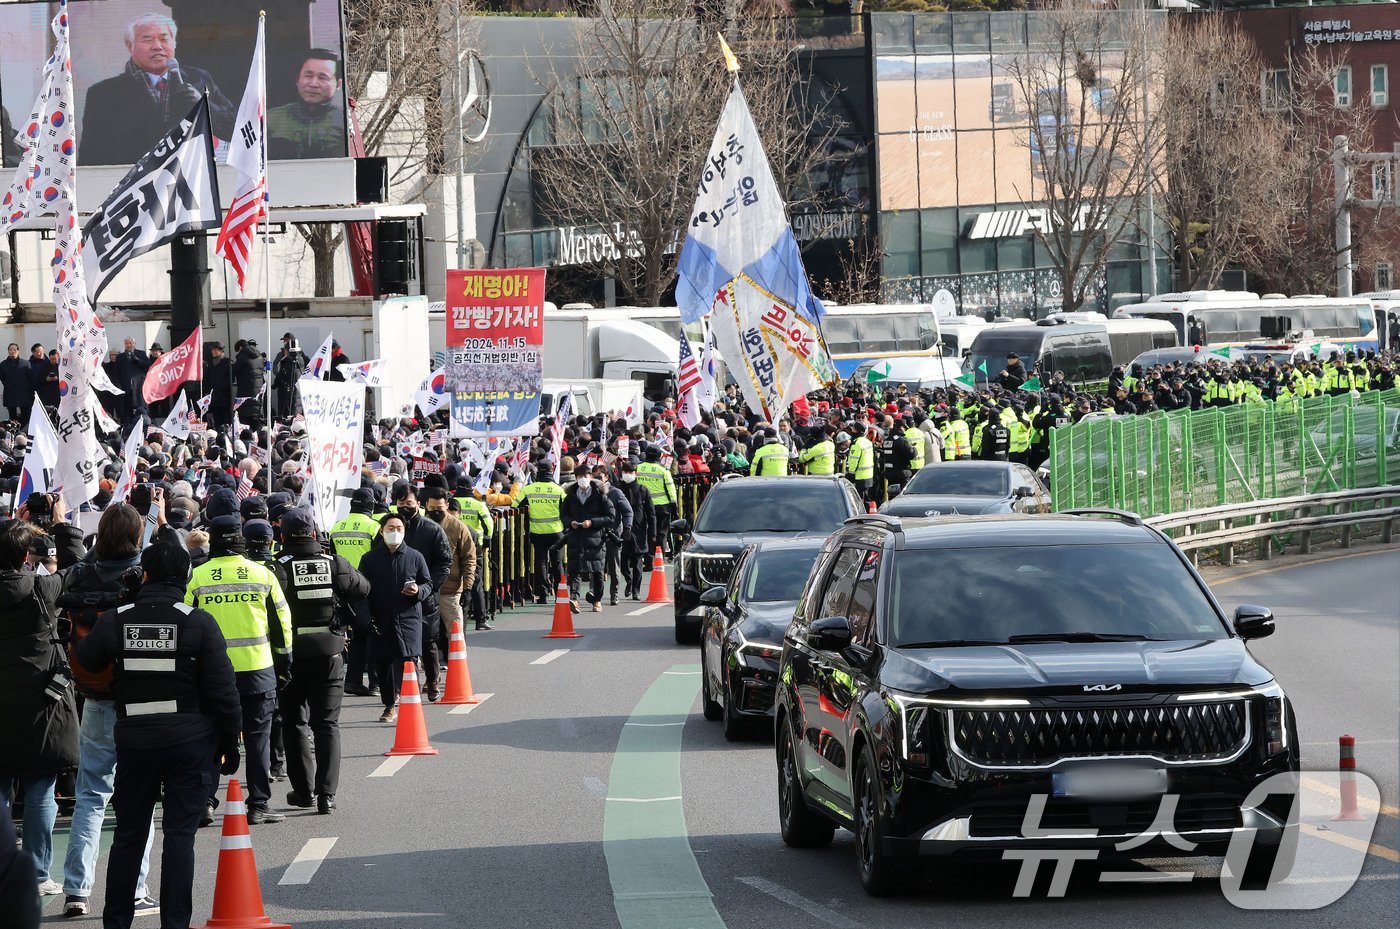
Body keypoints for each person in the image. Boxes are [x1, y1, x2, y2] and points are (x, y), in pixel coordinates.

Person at [74, 543, 241, 929]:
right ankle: (176, 923)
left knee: (128, 836)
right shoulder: (198, 622)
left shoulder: (117, 619)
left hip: (135, 741)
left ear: (144, 575)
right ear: (184, 577)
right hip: (190, 742)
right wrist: (230, 741)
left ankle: (117, 922)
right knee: (180, 836)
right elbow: (223, 690)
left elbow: (88, 659)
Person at [55, 506, 157, 919]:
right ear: (136, 536)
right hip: (138, 698)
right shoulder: (142, 577)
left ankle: (77, 889)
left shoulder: (81, 575)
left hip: (93, 694)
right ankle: (135, 888)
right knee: (140, 798)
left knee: (90, 797)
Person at [185, 515, 292, 825]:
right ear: (242, 540)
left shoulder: (197, 577)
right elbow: (282, 624)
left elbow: (185, 624)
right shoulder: (263, 574)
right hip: (257, 669)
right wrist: (285, 663)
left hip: (210, 674)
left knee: (210, 737)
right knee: (259, 737)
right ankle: (258, 804)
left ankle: (205, 802)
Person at [0, 514, 80, 899]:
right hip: (41, 701)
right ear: (26, 556)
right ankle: (36, 873)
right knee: (41, 785)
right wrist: (62, 525)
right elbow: (77, 564)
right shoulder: (41, 587)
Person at [273, 509, 368, 815]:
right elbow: (363, 588)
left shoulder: (277, 568)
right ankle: (327, 795)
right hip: (330, 654)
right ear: (314, 534)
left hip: (290, 658)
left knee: (294, 724)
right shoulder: (334, 563)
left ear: (283, 536)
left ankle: (304, 791)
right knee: (326, 725)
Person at [80, 12, 236, 167]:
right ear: (130, 45)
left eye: (164, 39)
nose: (157, 46)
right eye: (147, 40)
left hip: (189, 177)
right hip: (136, 183)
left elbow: (234, 129)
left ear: (174, 43)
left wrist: (204, 106)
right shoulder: (103, 94)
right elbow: (90, 158)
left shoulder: (198, 79)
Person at [357, 515, 431, 723]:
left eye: (399, 528)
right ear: (381, 531)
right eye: (390, 528)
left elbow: (428, 584)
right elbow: (362, 592)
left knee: (408, 661)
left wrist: (418, 591)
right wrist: (365, 618)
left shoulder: (415, 556)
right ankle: (389, 705)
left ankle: (412, 705)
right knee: (384, 664)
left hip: (408, 618)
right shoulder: (369, 559)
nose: (395, 532)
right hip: (380, 619)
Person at [390, 487, 452, 701]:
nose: (404, 508)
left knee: (427, 641)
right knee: (400, 644)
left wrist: (428, 587)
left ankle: (433, 680)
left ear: (418, 503)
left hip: (425, 596)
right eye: (400, 504)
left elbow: (444, 562)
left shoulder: (431, 529)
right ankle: (406, 686)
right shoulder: (390, 528)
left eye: (408, 503)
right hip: (397, 596)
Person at [421, 487, 476, 682]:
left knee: (455, 634)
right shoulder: (418, 526)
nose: (436, 511)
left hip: (450, 591)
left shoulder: (458, 527)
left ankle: (459, 677)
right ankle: (431, 678)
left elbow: (469, 559)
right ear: (426, 505)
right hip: (423, 592)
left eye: (440, 508)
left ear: (447, 506)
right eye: (432, 507)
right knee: (426, 637)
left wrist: (468, 587)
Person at [331, 488, 380, 694]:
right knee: (373, 635)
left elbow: (333, 557)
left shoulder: (336, 526)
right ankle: (376, 682)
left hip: (341, 589)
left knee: (355, 637)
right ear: (371, 506)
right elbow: (379, 558)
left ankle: (352, 680)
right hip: (366, 587)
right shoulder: (375, 527)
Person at [267, 50, 347, 160]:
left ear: (338, 84)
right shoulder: (271, 119)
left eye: (322, 78)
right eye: (308, 76)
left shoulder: (344, 121)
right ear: (297, 80)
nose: (313, 84)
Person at [561, 464, 616, 613]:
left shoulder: (600, 495)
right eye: (580, 477)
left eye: (585, 476)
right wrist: (570, 522)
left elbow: (610, 516)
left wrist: (592, 522)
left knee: (597, 571)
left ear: (591, 477)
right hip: (576, 536)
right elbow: (563, 514)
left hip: (595, 538)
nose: (583, 479)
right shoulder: (570, 495)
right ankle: (575, 599)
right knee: (574, 569)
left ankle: (597, 600)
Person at [514, 467, 566, 605]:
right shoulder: (558, 489)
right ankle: (559, 594)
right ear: (551, 471)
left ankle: (543, 596)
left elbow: (515, 505)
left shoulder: (528, 489)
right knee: (557, 563)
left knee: (541, 563)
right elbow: (566, 508)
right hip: (556, 532)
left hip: (537, 532)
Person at [615, 461, 654, 600]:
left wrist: (652, 533)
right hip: (623, 528)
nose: (628, 475)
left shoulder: (643, 490)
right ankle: (629, 580)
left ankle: (636, 590)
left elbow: (651, 513)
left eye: (630, 472)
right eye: (625, 472)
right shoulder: (618, 489)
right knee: (623, 561)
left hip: (639, 529)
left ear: (635, 473)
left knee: (638, 561)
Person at [595, 466, 632, 606]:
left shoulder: (616, 493)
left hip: (613, 534)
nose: (597, 479)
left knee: (613, 566)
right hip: (596, 535)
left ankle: (614, 594)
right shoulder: (592, 493)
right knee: (596, 566)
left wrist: (627, 527)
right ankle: (595, 595)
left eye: (600, 476)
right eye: (595, 476)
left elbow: (628, 511)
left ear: (607, 477)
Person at [635, 447, 676, 554]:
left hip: (642, 506)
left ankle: (648, 558)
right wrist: (674, 506)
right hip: (662, 506)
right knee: (661, 533)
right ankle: (659, 557)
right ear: (659, 456)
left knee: (645, 531)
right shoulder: (663, 470)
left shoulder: (638, 468)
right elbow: (671, 490)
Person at [113, 338, 150, 425]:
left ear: (134, 343)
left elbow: (148, 365)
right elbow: (117, 372)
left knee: (140, 406)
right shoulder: (120, 357)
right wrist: (119, 385)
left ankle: (143, 422)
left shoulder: (141, 353)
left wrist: (138, 360)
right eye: (126, 343)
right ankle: (129, 424)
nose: (129, 345)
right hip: (126, 386)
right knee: (127, 406)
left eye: (130, 343)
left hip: (138, 386)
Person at [272, 335, 309, 420]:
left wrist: (274, 384)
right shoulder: (301, 358)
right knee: (297, 411)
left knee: (289, 412)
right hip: (296, 389)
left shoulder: (288, 361)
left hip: (289, 390)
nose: (284, 342)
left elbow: (281, 374)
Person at [0, 343, 32, 422]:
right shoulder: (3, 364)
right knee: (12, 416)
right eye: (10, 350)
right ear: (8, 351)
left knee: (26, 415)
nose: (12, 351)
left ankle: (22, 430)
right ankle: (13, 432)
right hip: (10, 393)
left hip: (24, 394)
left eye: (14, 350)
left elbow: (30, 378)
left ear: (18, 351)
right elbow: (2, 378)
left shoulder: (25, 363)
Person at [205, 343, 233, 431]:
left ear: (221, 351)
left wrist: (221, 386)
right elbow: (207, 378)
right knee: (216, 421)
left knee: (226, 421)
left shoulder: (227, 362)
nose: (213, 352)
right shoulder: (210, 363)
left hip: (224, 397)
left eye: (215, 350)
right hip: (213, 398)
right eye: (212, 350)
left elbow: (231, 379)